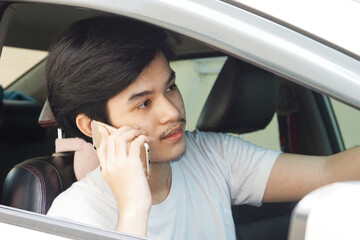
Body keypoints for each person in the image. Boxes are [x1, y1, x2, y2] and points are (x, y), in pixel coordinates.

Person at [46, 16, 360, 239]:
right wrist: (133, 209)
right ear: (92, 126)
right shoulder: (73, 215)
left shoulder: (211, 155)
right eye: (143, 103)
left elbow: (327, 174)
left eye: (170, 87)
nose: (172, 111)